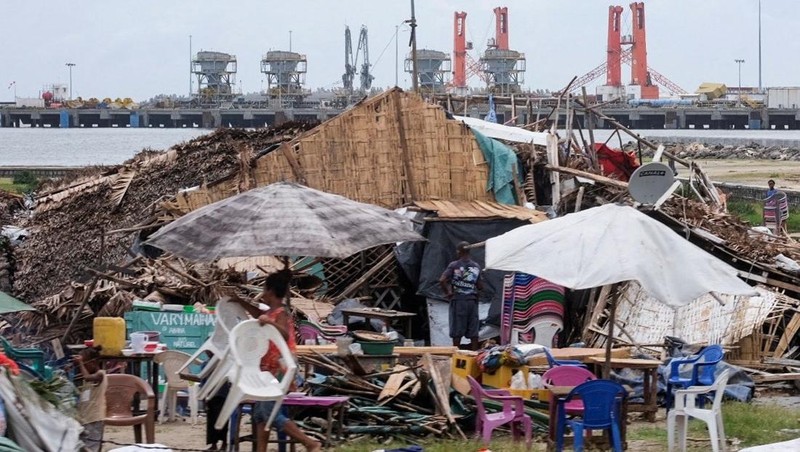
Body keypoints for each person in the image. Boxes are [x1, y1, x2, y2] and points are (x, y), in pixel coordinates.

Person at [232, 266, 321, 452]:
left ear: (270, 291)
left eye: (264, 289)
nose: (262, 293)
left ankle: (309, 443)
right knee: (260, 415)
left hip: (280, 369)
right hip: (268, 369)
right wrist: (241, 302)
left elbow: (284, 334)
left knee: (269, 413)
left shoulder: (281, 313)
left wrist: (269, 322)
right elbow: (257, 314)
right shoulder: (271, 312)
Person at [439, 241, 483, 350]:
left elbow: (442, 280)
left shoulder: (454, 265)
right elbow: (480, 286)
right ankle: (474, 356)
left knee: (457, 331)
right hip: (472, 301)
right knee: (473, 331)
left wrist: (448, 293)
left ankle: (456, 355)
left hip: (458, 301)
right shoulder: (476, 266)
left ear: (458, 252)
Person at [74, 346, 108, 452]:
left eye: (85, 364)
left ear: (93, 363)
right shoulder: (89, 375)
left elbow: (87, 378)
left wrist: (80, 363)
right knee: (85, 446)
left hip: (95, 417)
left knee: (92, 446)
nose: (82, 367)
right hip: (86, 417)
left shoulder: (100, 374)